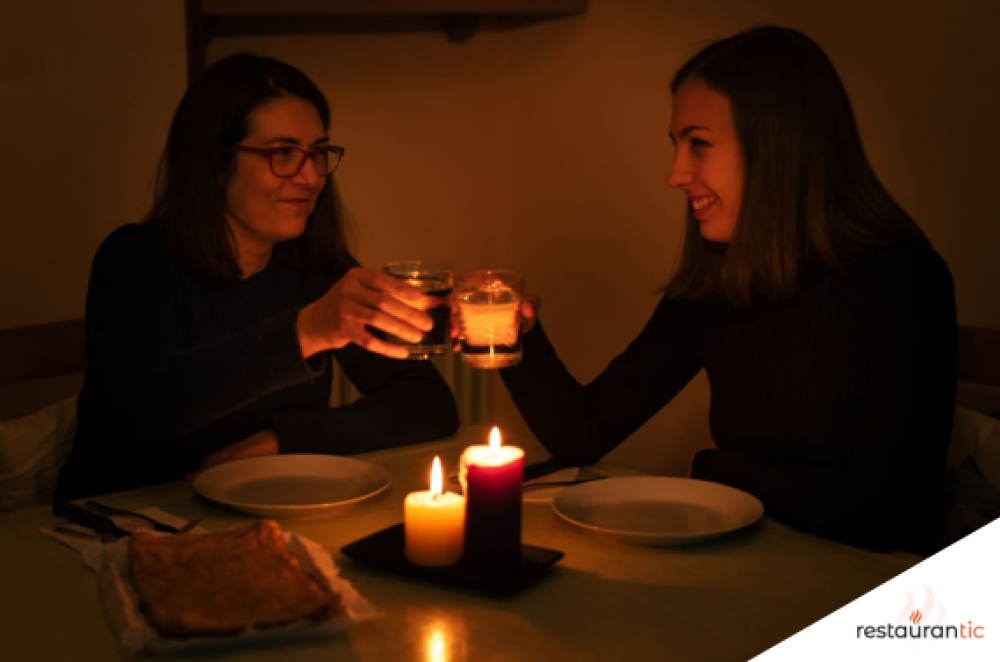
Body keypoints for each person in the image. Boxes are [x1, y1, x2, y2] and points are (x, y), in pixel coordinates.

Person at [499, 26, 957, 553]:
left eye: (699, 144)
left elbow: (889, 516)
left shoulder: (905, 281)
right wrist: (516, 333)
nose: (676, 174)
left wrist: (716, 469)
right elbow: (583, 432)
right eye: (677, 146)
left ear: (777, 147)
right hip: (752, 566)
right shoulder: (717, 282)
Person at [55, 54, 459, 501]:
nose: (311, 178)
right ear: (214, 162)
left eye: (317, 153)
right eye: (283, 153)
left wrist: (287, 439)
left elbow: (428, 404)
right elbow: (148, 408)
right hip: (120, 519)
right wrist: (304, 332)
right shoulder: (134, 258)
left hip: (263, 517)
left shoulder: (315, 267)